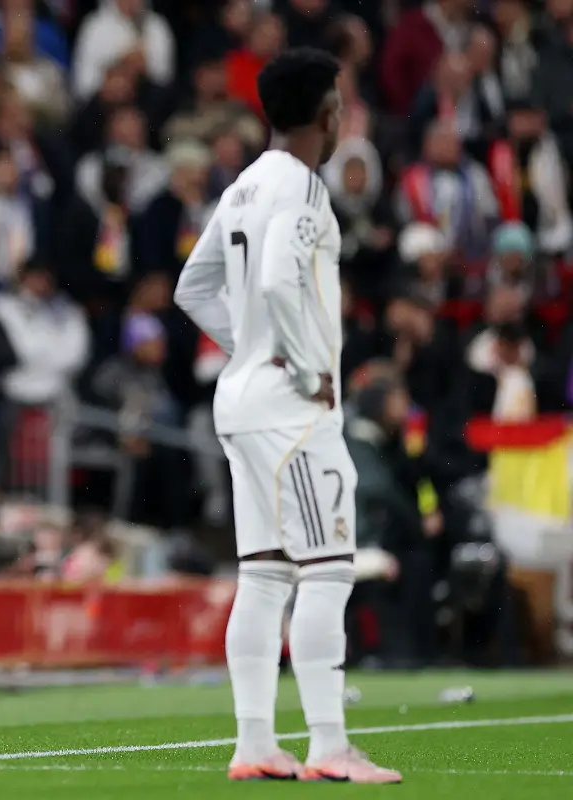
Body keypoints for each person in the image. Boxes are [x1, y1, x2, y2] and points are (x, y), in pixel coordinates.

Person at [173, 48, 401, 784]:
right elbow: (274, 277)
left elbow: (193, 285)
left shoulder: (241, 187)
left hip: (240, 401)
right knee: (327, 570)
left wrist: (249, 346)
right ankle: (330, 746)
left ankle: (254, 743)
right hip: (291, 410)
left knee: (265, 574)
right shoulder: (302, 189)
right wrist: (300, 363)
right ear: (327, 113)